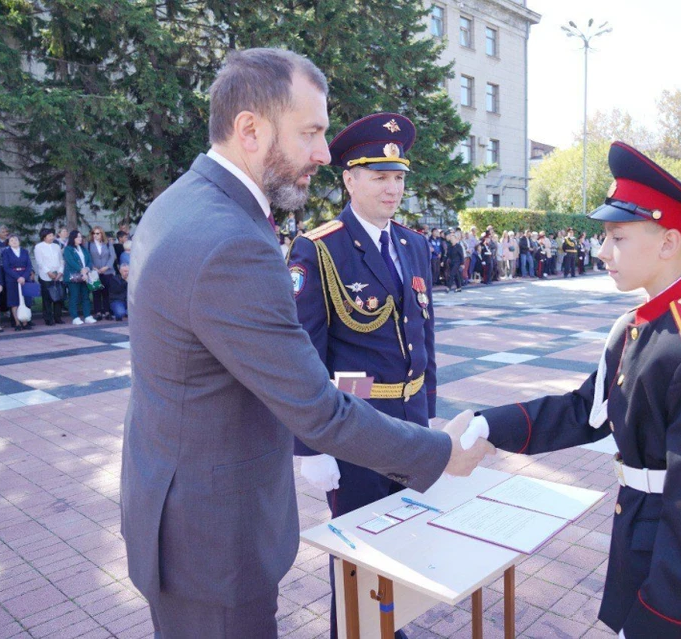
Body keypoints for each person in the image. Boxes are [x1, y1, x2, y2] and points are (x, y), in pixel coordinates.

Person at [120, 50, 492, 638]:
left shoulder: (185, 203)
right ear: (250, 130)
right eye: (311, 132)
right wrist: (439, 453)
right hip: (213, 542)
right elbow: (315, 406)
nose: (323, 152)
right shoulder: (230, 241)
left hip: (183, 511)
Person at [463, 142, 681, 638]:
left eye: (617, 237)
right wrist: (486, 425)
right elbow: (586, 410)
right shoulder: (642, 323)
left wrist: (659, 620)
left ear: (668, 243)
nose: (601, 251)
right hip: (647, 539)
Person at [289, 112, 440, 639]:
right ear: (349, 179)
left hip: (412, 419)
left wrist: (430, 409)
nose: (392, 188)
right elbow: (304, 353)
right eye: (379, 176)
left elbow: (424, 335)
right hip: (354, 421)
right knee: (358, 549)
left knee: (405, 534)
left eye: (399, 177)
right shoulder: (320, 247)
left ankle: (389, 627)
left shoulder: (414, 244)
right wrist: (311, 447)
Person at [1, 234, 34, 331]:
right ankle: (17, 323)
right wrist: (18, 277)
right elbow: (6, 267)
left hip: (25, 278)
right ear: (9, 242)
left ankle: (25, 322)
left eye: (16, 240)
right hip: (12, 279)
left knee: (27, 300)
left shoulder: (24, 251)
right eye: (11, 240)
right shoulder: (6, 252)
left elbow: (29, 266)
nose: (14, 242)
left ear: (19, 241)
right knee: (14, 301)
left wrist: (23, 277)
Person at [63, 229, 97, 325]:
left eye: (80, 237)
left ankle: (87, 316)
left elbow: (89, 260)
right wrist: (81, 270)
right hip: (74, 276)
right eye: (78, 237)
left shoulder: (83, 248)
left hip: (85, 276)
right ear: (72, 238)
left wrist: (86, 269)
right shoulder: (68, 249)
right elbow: (70, 261)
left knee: (86, 296)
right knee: (74, 296)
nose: (80, 238)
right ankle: (75, 317)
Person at [34, 227, 65, 325]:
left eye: (52, 235)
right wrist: (49, 272)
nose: (52, 237)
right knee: (47, 298)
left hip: (58, 275)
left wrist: (60, 272)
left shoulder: (56, 246)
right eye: (50, 235)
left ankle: (58, 317)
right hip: (46, 276)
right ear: (44, 237)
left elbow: (61, 260)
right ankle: (48, 318)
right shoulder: (39, 247)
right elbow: (40, 262)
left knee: (59, 296)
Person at [88, 226, 116, 320]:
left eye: (97, 233)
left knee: (106, 293)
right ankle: (98, 312)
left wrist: (107, 267)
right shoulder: (88, 244)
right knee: (96, 293)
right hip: (94, 272)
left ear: (101, 234)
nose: (95, 235)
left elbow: (112, 256)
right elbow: (87, 258)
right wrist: (93, 267)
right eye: (94, 233)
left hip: (107, 272)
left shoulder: (108, 243)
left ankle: (107, 312)